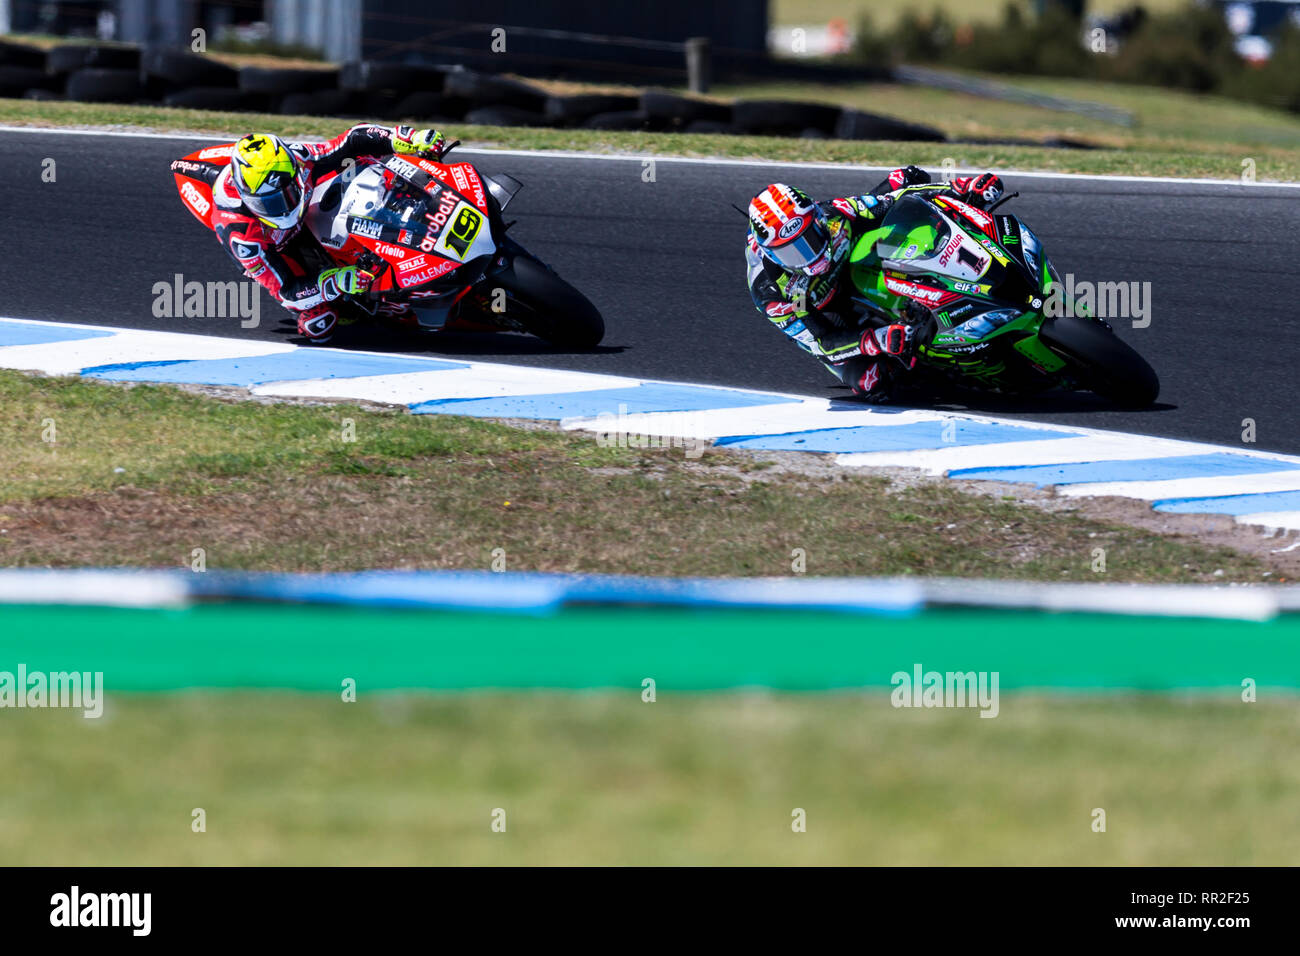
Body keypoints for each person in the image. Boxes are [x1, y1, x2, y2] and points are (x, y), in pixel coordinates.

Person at [745, 165, 1005, 400]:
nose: (809, 255)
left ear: (818, 219)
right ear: (771, 254)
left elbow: (891, 200)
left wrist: (960, 188)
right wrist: (876, 340)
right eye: (791, 252)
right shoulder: (772, 293)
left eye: (811, 237)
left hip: (855, 267)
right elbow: (822, 343)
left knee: (906, 182)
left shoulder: (835, 214)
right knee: (870, 381)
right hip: (830, 319)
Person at [210, 124, 447, 343]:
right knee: (318, 323)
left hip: (311, 210)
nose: (282, 208)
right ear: (246, 197)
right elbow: (286, 291)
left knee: (357, 164)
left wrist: (405, 139)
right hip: (275, 246)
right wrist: (337, 281)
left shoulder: (297, 157)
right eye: (268, 204)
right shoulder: (241, 234)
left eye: (288, 194)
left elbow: (351, 140)